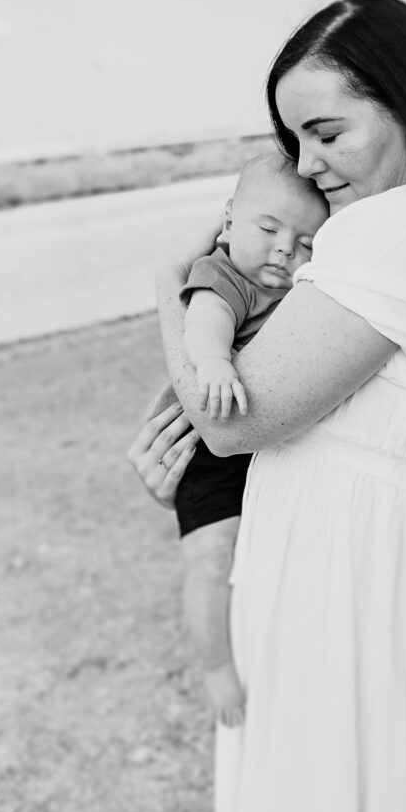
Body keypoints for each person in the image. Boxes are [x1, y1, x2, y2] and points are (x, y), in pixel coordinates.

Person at [127, 0, 406, 812]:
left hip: (345, 587)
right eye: (293, 141)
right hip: (344, 569)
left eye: (328, 133)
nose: (310, 164)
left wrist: (166, 295)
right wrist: (195, 488)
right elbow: (281, 427)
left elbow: (232, 422)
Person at [147, 153, 327, 727]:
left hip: (255, 443)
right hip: (203, 445)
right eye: (268, 229)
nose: (283, 250)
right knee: (209, 556)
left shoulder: (302, 290)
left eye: (305, 242)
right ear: (228, 223)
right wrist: (214, 362)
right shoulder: (224, 275)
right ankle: (216, 666)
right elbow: (204, 323)